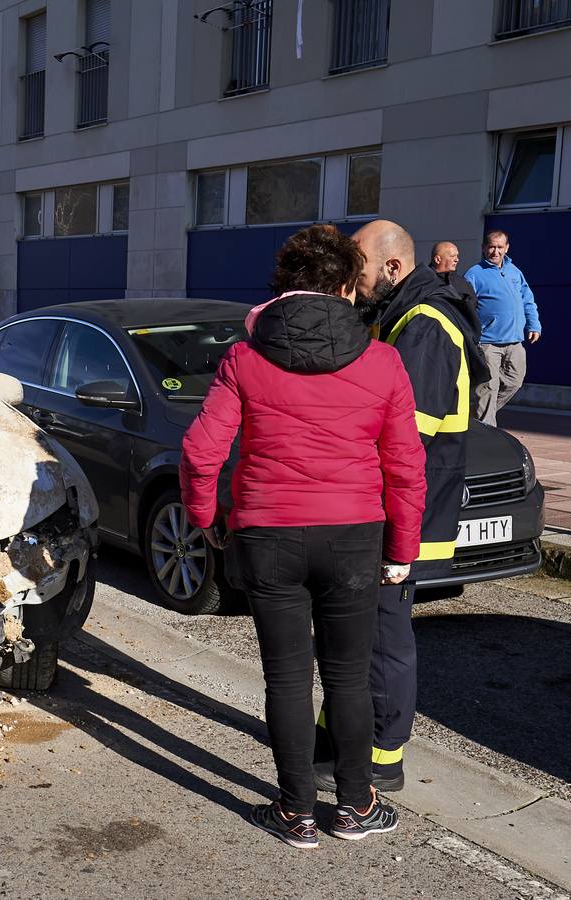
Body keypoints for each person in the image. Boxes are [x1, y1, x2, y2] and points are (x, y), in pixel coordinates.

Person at [180, 224, 426, 849]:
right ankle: (356, 805)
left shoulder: (244, 356)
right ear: (347, 286)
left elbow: (201, 451)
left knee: (286, 677)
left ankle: (295, 812)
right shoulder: (382, 359)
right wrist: (402, 551)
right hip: (353, 537)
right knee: (346, 676)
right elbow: (405, 467)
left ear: (284, 287)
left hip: (267, 534)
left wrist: (208, 519)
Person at [309, 220, 488, 797]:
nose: (352, 283)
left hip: (405, 515)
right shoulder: (400, 317)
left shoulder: (426, 326)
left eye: (357, 268)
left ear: (392, 267)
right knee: (354, 631)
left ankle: (383, 757)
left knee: (383, 635)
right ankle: (336, 738)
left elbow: (406, 433)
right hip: (387, 508)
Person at [464, 230, 540, 426]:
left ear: (507, 248)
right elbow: (465, 306)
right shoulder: (474, 274)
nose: (495, 251)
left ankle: (477, 416)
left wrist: (534, 324)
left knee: (515, 381)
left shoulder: (515, 272)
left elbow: (527, 300)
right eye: (491, 246)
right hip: (488, 342)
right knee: (488, 386)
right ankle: (486, 429)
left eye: (499, 247)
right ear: (483, 248)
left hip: (515, 341)